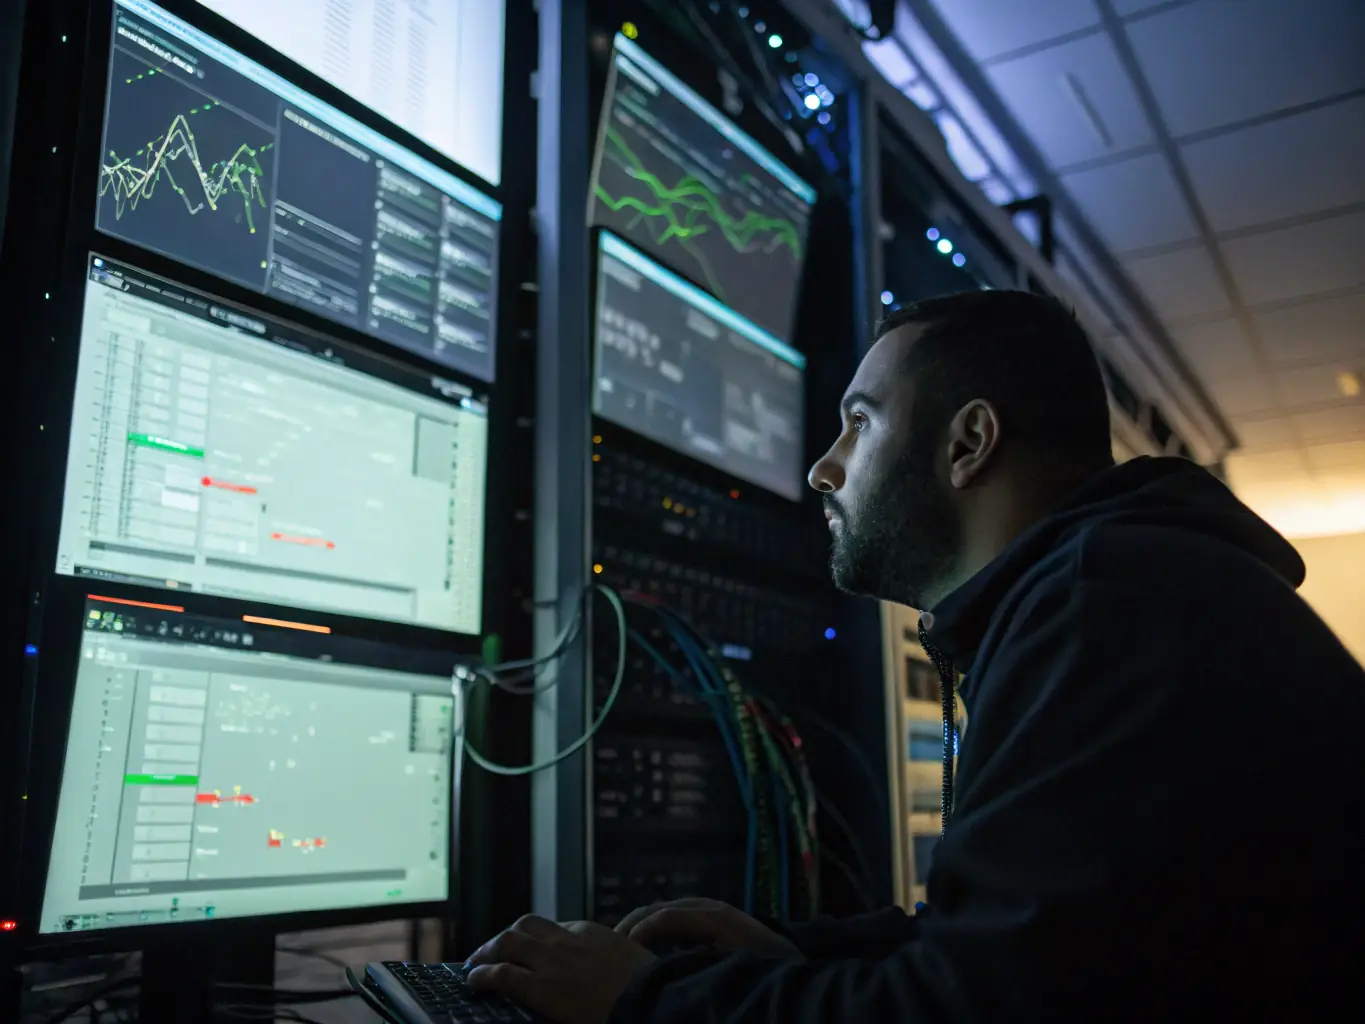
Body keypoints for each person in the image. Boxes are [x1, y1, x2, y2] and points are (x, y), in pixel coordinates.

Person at [464, 291, 1365, 1022]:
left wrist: (642, 998)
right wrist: (804, 953)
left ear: (968, 444)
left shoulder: (1107, 609)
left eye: (858, 422)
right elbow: (1020, 941)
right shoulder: (1116, 589)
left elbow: (979, 1007)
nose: (824, 468)